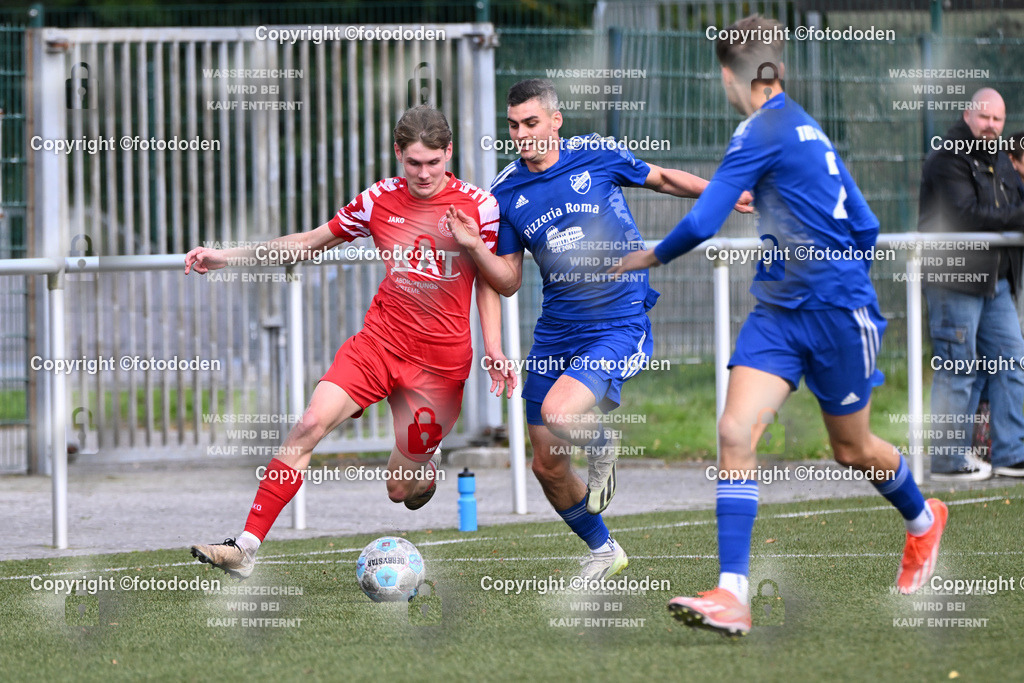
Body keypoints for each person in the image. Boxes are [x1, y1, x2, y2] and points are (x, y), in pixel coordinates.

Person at [611, 14, 947, 636]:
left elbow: (705, 222)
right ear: (777, 68)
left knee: (852, 450)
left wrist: (645, 256)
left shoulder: (760, 132)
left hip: (838, 317)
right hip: (778, 314)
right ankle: (733, 592)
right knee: (735, 430)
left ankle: (924, 522)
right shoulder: (804, 127)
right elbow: (867, 225)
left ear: (728, 74)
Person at [185, 105, 515, 579]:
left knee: (402, 491)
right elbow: (307, 242)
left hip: (439, 366)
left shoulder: (479, 206)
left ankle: (426, 463)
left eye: (433, 162)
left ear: (449, 154)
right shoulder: (377, 199)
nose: (423, 173)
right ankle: (245, 546)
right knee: (308, 425)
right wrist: (228, 256)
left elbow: (490, 281)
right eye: (413, 162)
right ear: (399, 154)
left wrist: (495, 348)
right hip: (378, 344)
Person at [445, 78, 752, 581]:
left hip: (617, 320)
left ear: (555, 121)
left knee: (560, 412)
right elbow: (503, 279)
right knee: (546, 464)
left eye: (531, 123)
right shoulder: (505, 191)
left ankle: (602, 441)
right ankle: (605, 550)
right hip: (556, 332)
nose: (522, 135)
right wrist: (494, 341)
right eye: (514, 126)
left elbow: (663, 179)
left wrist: (721, 193)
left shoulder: (595, 155)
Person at [919, 89, 1024, 480]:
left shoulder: (1002, 161)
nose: (991, 126)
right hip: (956, 280)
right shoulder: (946, 158)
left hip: (996, 282)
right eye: (985, 118)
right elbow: (967, 215)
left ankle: (1012, 455)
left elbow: (1009, 208)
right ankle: (948, 462)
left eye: (998, 120)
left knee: (1011, 361)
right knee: (957, 368)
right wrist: (1018, 217)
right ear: (968, 115)